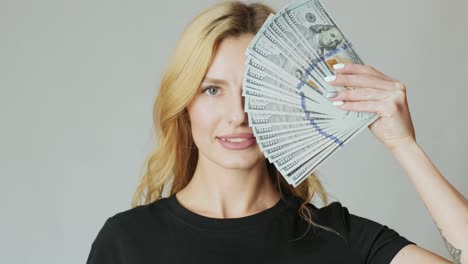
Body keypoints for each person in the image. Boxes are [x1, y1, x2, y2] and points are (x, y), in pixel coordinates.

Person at [86, 2, 467, 264]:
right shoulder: (127, 242)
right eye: (212, 90)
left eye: (254, 91)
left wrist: (404, 146)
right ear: (185, 103)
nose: (238, 115)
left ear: (284, 102)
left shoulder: (338, 236)